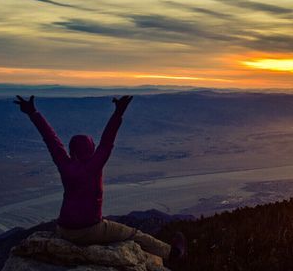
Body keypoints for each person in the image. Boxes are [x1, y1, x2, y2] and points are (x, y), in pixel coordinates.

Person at [14, 95, 186, 263]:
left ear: (72, 150)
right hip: (89, 230)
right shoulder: (94, 166)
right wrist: (118, 113)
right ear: (91, 149)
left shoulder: (64, 164)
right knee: (134, 234)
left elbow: (51, 140)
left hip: (63, 229)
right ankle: (172, 253)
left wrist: (33, 113)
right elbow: (107, 141)